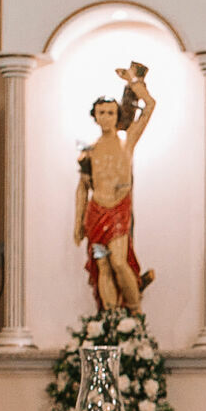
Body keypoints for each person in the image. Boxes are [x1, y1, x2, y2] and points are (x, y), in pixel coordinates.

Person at [75, 66, 157, 312]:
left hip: (118, 210)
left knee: (119, 263)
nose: (106, 117)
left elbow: (150, 106)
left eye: (111, 112)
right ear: (95, 116)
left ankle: (135, 314)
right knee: (103, 265)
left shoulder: (127, 141)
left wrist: (133, 81)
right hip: (96, 212)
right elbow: (82, 189)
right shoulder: (89, 151)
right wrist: (77, 222)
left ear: (117, 115)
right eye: (101, 112)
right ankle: (110, 320)